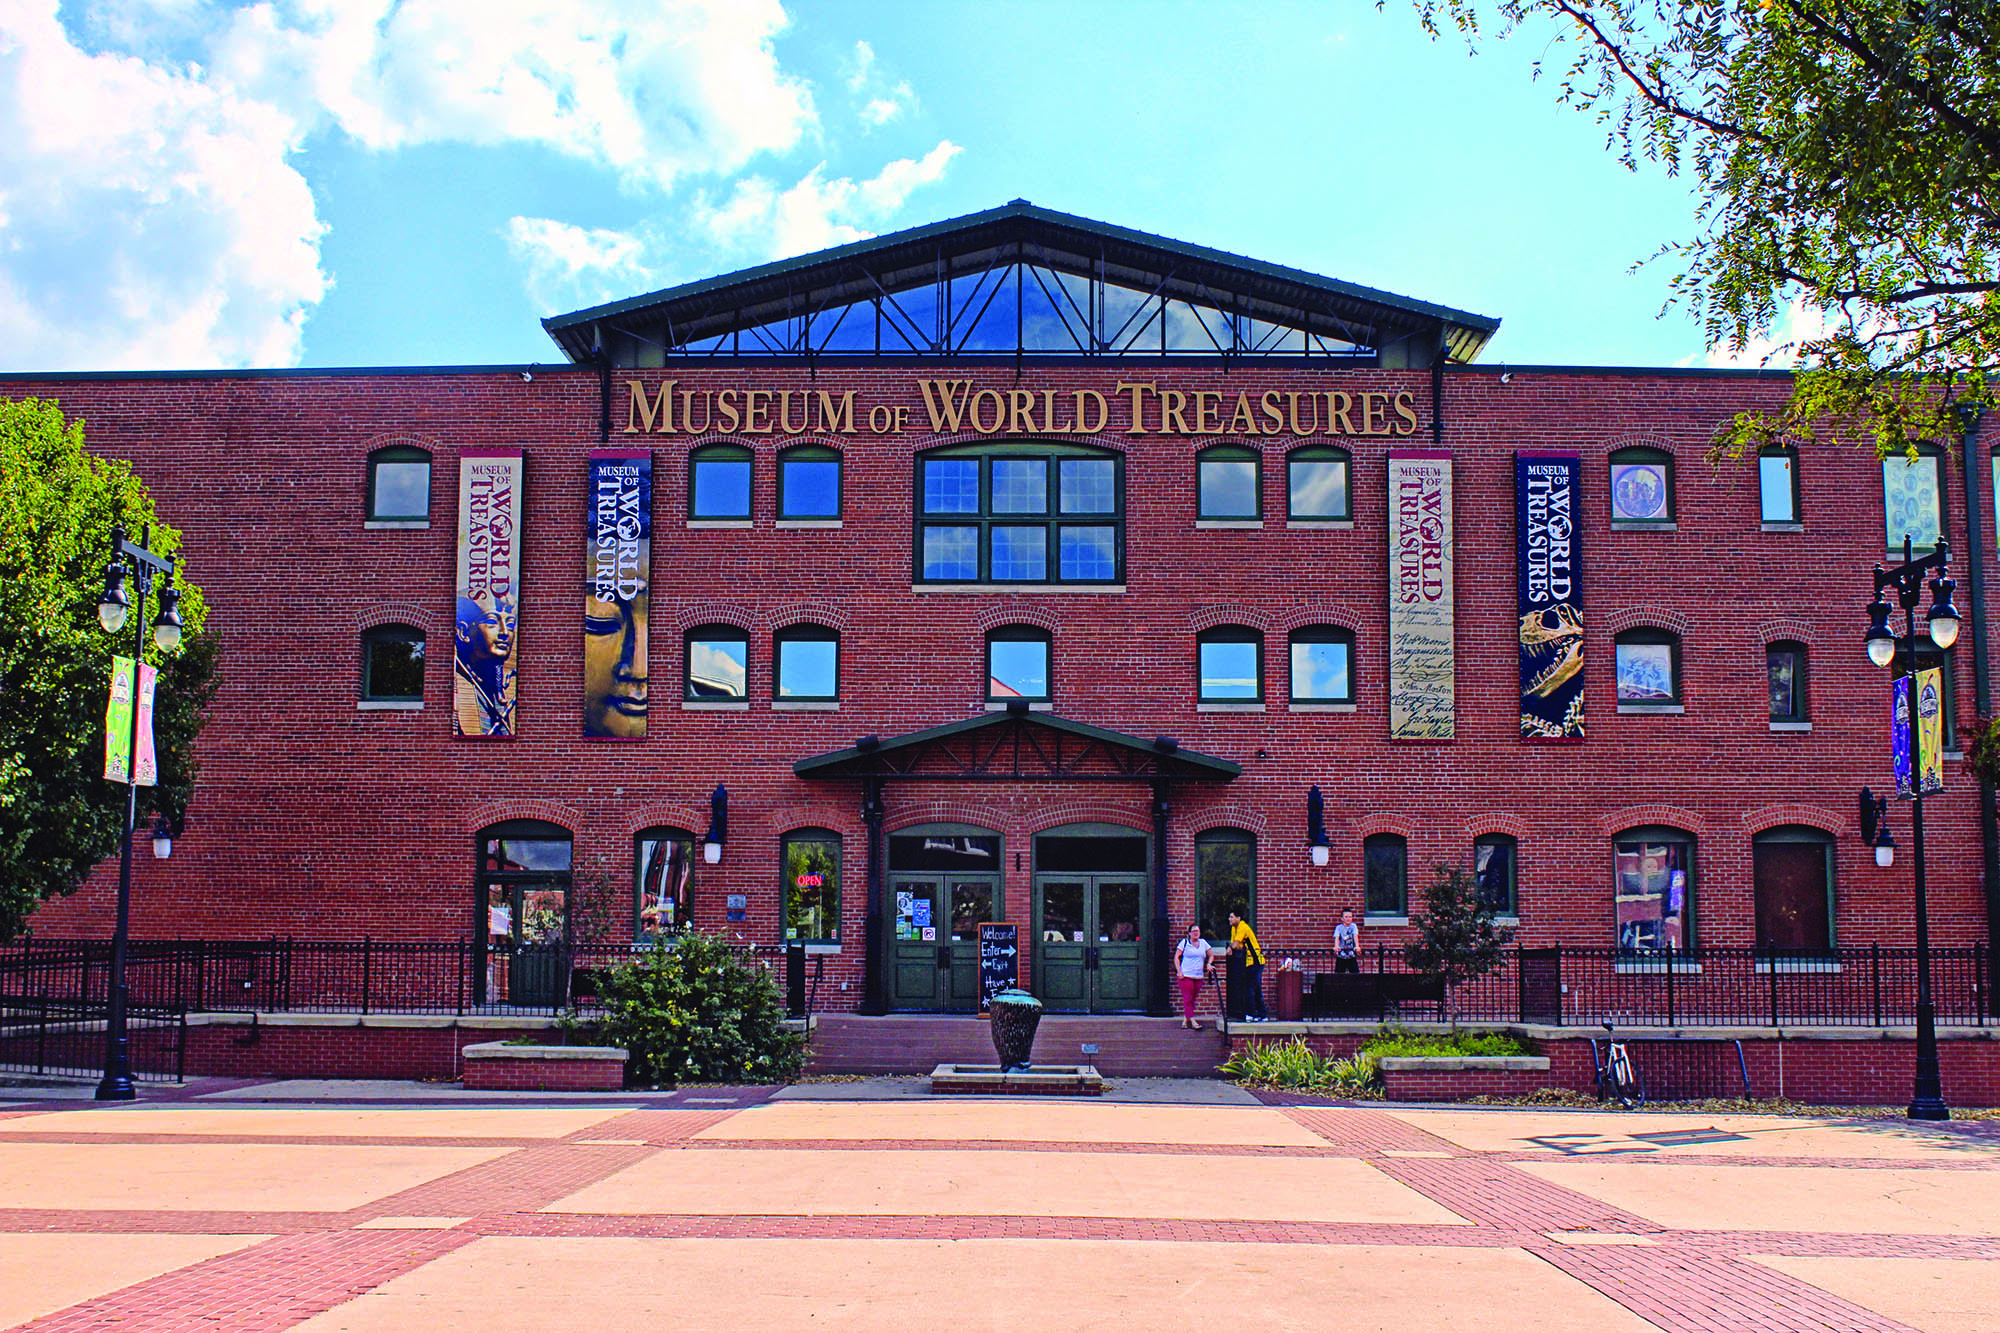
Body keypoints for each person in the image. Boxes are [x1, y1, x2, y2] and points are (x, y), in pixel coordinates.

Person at [1173, 923, 1215, 1029]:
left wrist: (1209, 963)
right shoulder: (1184, 943)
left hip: (1198, 976)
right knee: (1188, 998)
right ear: (1189, 933)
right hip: (1186, 975)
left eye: (1198, 931)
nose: (1196, 933)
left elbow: (1211, 955)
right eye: (1194, 931)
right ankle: (1193, 1021)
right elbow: (1176, 957)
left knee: (1193, 999)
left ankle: (1185, 1020)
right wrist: (1179, 971)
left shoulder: (1203, 943)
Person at [1228, 910, 1266, 1021]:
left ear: (1238, 918)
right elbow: (1237, 946)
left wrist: (1230, 947)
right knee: (1255, 988)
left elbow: (1235, 945)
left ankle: (1252, 1014)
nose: (1229, 919)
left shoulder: (1242, 927)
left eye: (1231, 917)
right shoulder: (1234, 929)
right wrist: (1232, 947)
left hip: (1255, 961)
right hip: (1248, 962)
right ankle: (1262, 1014)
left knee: (1249, 988)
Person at [1333, 908, 1362, 974]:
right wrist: (1336, 946)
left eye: (1350, 917)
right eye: (1346, 917)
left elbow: (1355, 936)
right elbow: (1337, 937)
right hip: (1341, 954)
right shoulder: (1339, 927)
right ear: (1342, 919)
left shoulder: (1353, 926)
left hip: (1351, 953)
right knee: (1339, 973)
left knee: (1355, 973)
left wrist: (1357, 946)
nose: (1348, 919)